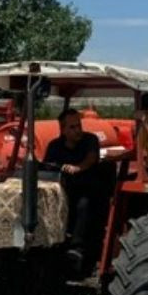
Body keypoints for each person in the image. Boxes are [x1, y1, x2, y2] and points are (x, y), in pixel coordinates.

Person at [42, 109, 103, 266]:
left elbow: (91, 158)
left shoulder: (90, 140)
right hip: (63, 189)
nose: (78, 130)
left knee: (83, 204)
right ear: (63, 130)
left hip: (88, 189)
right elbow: (47, 167)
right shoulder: (54, 146)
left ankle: (77, 247)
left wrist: (78, 168)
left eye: (79, 125)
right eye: (72, 127)